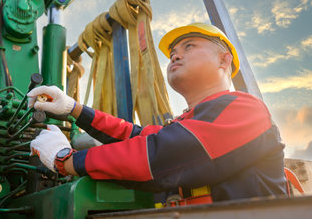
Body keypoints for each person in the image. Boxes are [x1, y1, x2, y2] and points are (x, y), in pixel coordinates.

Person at [29, 22, 287, 202]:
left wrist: (66, 159)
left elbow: (157, 155)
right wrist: (74, 108)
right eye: (173, 53)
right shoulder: (189, 124)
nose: (175, 56)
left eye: (189, 47)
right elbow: (135, 136)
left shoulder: (245, 110)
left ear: (223, 60)